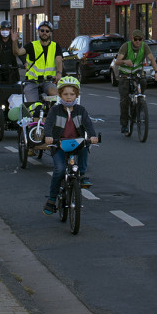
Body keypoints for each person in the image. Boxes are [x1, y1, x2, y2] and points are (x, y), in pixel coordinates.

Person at [41, 76, 100, 215]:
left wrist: (92, 136)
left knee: (85, 148)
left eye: (72, 94)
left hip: (76, 143)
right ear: (60, 94)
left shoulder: (81, 110)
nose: (69, 97)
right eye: (65, 94)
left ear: (77, 95)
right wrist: (48, 136)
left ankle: (83, 175)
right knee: (59, 170)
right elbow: (48, 124)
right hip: (59, 145)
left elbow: (88, 124)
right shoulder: (55, 110)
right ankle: (51, 199)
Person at [113, 30, 157, 135]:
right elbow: (117, 62)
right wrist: (124, 61)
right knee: (124, 100)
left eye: (140, 39)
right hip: (124, 75)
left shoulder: (144, 47)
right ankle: (124, 125)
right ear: (132, 39)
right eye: (135, 39)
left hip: (136, 73)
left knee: (143, 81)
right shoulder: (126, 46)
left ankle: (139, 101)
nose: (138, 42)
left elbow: (152, 59)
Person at [0, 20, 25, 126]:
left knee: (15, 90)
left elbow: (19, 52)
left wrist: (25, 62)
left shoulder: (13, 40)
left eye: (7, 29)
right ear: (0, 31)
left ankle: (13, 112)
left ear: (10, 30)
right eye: (3, 29)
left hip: (11, 70)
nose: (5, 31)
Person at [24, 21, 63, 99]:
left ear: (50, 33)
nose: (44, 33)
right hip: (32, 82)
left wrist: (59, 73)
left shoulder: (55, 46)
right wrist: (14, 41)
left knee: (57, 96)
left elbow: (59, 60)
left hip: (47, 82)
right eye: (42, 30)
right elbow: (18, 52)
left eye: (47, 31)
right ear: (38, 32)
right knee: (33, 105)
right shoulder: (32, 45)